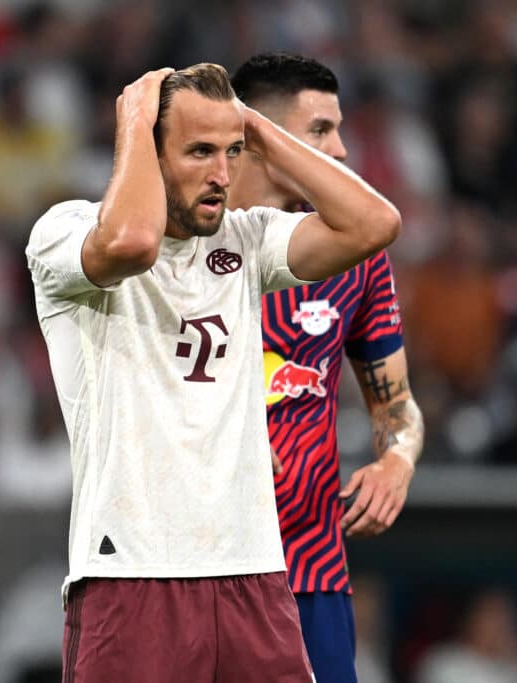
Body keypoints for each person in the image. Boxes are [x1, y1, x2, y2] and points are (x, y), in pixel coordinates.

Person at [26, 62, 400, 682]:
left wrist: (253, 126)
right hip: (133, 572)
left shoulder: (245, 241)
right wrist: (135, 119)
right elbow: (131, 244)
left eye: (231, 153)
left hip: (253, 570)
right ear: (144, 148)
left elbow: (374, 225)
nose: (222, 175)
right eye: (199, 151)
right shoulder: (64, 232)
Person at [229, 52, 425, 683]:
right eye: (318, 130)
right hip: (192, 562)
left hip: (311, 568)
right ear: (260, 136)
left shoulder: (358, 260)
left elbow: (396, 408)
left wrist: (398, 458)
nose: (339, 150)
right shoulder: (180, 248)